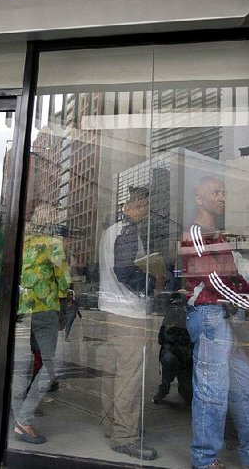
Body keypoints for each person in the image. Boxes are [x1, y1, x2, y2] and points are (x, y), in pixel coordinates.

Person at [181, 175, 249, 469]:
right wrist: (247, 301)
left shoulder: (217, 235)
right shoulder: (196, 232)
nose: (222, 197)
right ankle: (204, 461)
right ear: (198, 199)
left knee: (247, 388)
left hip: (222, 319)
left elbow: (233, 277)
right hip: (208, 317)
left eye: (224, 192)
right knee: (212, 393)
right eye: (215, 192)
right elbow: (212, 279)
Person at [94, 186, 162, 461]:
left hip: (111, 308)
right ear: (131, 205)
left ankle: (113, 426)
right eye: (143, 206)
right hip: (129, 312)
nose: (144, 211)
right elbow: (124, 271)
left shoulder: (110, 230)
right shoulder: (128, 231)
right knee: (129, 377)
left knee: (113, 372)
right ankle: (125, 435)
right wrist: (153, 283)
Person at [11, 202, 70, 444]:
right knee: (49, 366)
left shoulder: (22, 242)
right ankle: (24, 420)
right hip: (45, 308)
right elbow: (63, 281)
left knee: (23, 363)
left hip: (24, 309)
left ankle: (17, 411)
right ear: (52, 221)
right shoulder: (53, 244)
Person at [152, 291, 192, 406]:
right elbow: (163, 338)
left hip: (182, 355)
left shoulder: (177, 314)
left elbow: (162, 338)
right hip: (176, 354)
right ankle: (164, 389)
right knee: (170, 363)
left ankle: (166, 389)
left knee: (188, 394)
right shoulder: (180, 313)